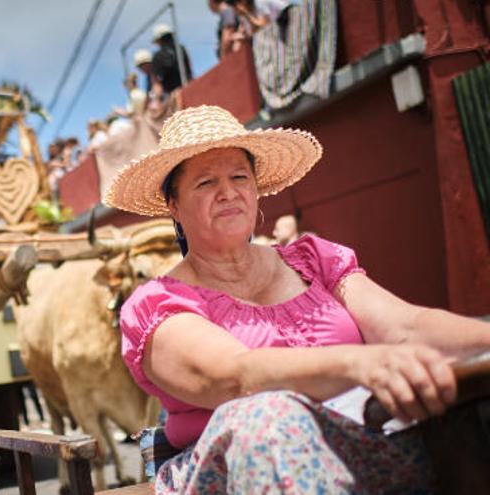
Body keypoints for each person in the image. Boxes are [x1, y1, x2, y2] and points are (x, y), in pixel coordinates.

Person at [102, 106, 490, 493]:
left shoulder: (313, 260)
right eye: (205, 183)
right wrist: (360, 362)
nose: (228, 192)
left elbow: (406, 325)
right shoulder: (157, 303)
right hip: (238, 467)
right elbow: (235, 376)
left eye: (240, 176)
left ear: (255, 189)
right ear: (174, 205)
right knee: (268, 417)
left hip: (363, 445)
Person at [150, 24, 193, 95]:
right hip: (188, 88)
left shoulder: (157, 56)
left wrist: (158, 99)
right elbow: (190, 69)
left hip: (171, 96)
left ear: (159, 40)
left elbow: (156, 84)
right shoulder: (181, 49)